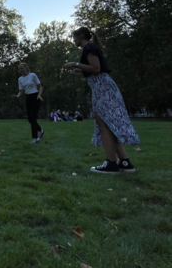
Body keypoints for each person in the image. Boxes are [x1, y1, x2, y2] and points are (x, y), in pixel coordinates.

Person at [63, 27, 140, 174]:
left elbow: (96, 68)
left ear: (80, 36)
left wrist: (75, 64)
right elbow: (94, 69)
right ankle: (124, 162)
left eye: (74, 38)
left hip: (103, 88)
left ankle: (111, 164)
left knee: (104, 124)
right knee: (109, 124)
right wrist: (81, 72)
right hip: (103, 87)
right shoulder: (91, 47)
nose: (73, 41)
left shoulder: (89, 47)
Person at [12, 63, 44, 144]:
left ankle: (35, 138)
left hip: (35, 97)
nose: (21, 70)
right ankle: (41, 130)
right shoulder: (20, 79)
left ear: (26, 68)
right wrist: (18, 96)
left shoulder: (33, 75)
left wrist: (39, 95)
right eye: (19, 69)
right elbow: (21, 90)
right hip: (28, 98)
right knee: (29, 119)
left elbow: (40, 86)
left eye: (22, 68)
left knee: (33, 118)